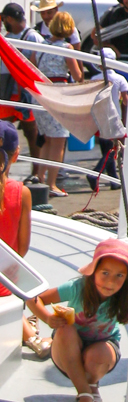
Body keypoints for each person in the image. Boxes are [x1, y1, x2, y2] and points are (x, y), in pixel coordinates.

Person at [27, 236, 128, 402]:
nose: (110, 282)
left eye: (119, 275)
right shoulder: (77, 287)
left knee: (99, 354)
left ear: (127, 278)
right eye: (105, 273)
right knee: (65, 329)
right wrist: (47, 318)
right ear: (93, 271)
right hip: (67, 352)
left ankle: (92, 382)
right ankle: (85, 393)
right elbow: (33, 298)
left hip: (102, 349)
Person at [0, 121, 42, 356]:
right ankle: (31, 333)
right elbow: (21, 250)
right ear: (16, 155)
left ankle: (29, 331)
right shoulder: (22, 193)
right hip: (4, 286)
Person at [33, 10, 84, 195]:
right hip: (57, 93)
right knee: (58, 142)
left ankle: (40, 179)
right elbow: (78, 75)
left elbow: (32, 66)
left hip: (40, 93)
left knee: (46, 140)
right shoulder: (67, 48)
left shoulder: (41, 46)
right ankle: (52, 184)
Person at [1, 1, 42, 158]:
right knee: (2, 132)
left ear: (9, 19)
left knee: (31, 133)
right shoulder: (7, 37)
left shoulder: (32, 37)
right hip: (8, 92)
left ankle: (36, 173)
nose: (3, 23)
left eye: (4, 19)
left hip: (27, 93)